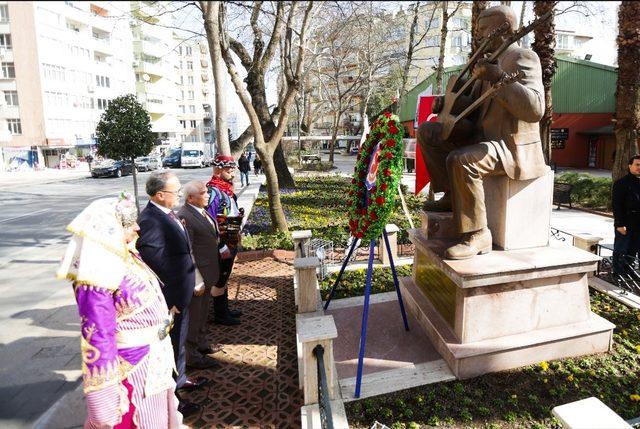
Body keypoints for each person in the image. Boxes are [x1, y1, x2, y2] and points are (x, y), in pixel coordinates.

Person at [417, 5, 548, 260]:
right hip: (482, 136)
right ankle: (452, 195)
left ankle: (478, 234)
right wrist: (443, 103)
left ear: (503, 30)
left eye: (483, 30)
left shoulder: (522, 57)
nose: (477, 36)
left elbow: (535, 109)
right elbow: (471, 104)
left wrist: (499, 78)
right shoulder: (485, 60)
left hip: (509, 145)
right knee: (428, 132)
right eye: (477, 30)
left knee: (462, 159)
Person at [57, 193, 184, 428]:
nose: (137, 227)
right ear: (108, 231)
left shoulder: (126, 257)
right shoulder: (95, 276)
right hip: (133, 369)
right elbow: (97, 335)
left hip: (155, 362)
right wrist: (102, 398)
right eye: (127, 224)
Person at [136, 171, 206, 417]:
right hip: (171, 300)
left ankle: (181, 378)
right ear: (159, 194)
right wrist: (169, 301)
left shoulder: (167, 213)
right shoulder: (150, 220)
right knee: (171, 348)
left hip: (182, 292)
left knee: (180, 343)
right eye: (174, 191)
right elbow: (155, 264)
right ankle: (174, 402)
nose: (179, 195)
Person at [178, 181, 232, 368]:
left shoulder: (201, 210)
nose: (208, 195)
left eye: (207, 192)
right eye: (203, 193)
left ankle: (202, 344)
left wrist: (220, 246)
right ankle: (192, 357)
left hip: (209, 271)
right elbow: (188, 250)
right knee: (194, 316)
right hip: (198, 275)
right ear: (190, 197)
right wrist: (196, 280)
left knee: (202, 315)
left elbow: (211, 234)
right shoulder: (185, 216)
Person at [206, 154, 244, 325]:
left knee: (226, 275)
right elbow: (210, 220)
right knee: (220, 278)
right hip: (222, 243)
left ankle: (225, 309)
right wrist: (220, 245)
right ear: (218, 170)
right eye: (229, 170)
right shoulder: (213, 191)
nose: (233, 174)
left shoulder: (225, 189)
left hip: (231, 238)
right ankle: (221, 315)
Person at [612, 155, 640, 275]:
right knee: (621, 249)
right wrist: (619, 224)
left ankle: (629, 271)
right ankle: (618, 274)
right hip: (625, 223)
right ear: (630, 166)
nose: (639, 167)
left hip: (638, 224)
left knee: (633, 249)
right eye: (637, 165)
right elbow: (616, 205)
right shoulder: (621, 183)